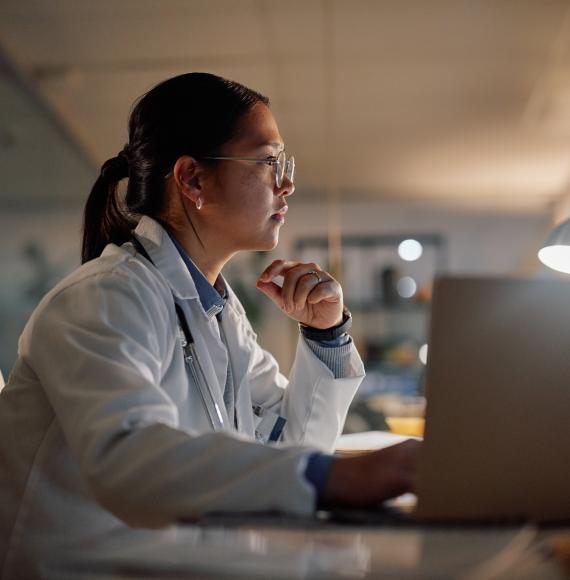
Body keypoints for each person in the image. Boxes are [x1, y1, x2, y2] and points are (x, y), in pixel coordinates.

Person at [0, 72, 419, 577]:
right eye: (269, 162)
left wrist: (326, 335)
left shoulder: (218, 312)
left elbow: (289, 449)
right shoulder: (104, 297)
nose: (286, 184)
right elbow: (128, 459)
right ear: (193, 179)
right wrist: (330, 477)